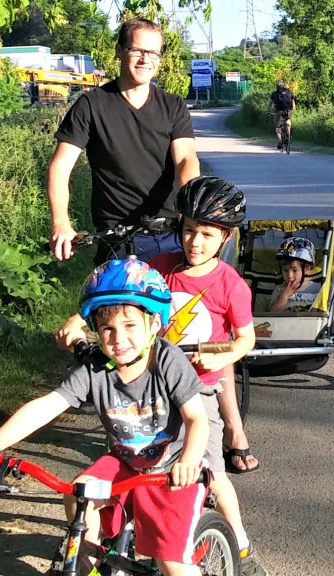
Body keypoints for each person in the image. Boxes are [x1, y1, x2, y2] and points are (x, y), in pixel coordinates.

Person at [56, 176, 266, 575]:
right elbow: (118, 292)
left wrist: (215, 357)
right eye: (188, 230)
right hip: (148, 384)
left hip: (198, 389)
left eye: (206, 234)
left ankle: (239, 543)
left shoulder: (230, 285)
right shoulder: (161, 268)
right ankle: (115, 540)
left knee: (211, 471)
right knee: (130, 460)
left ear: (224, 237)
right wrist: (77, 321)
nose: (194, 242)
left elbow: (244, 340)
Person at [0, 259, 210, 576]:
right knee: (79, 494)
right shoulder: (95, 368)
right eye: (107, 329)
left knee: (171, 562)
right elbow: (47, 405)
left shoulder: (167, 360)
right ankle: (90, 565)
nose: (118, 338)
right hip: (125, 464)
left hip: (172, 470)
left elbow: (196, 418)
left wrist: (189, 461)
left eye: (129, 326)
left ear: (153, 324)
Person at [47, 17, 201, 265]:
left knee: (180, 304)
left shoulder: (173, 106)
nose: (145, 59)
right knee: (115, 304)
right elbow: (60, 166)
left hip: (172, 233)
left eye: (153, 53)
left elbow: (185, 159)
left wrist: (191, 209)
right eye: (137, 50)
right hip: (117, 238)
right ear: (119, 50)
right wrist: (61, 224)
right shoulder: (91, 104)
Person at [258, 237, 322, 312]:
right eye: (285, 270)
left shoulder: (317, 289)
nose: (289, 275)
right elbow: (272, 314)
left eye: (294, 270)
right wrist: (284, 296)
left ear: (306, 268)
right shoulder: (279, 290)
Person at [268, 81, 295, 151]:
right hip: (288, 111)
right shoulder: (289, 92)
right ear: (284, 86)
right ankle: (288, 135)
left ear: (277, 87)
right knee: (288, 121)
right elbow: (293, 105)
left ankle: (280, 141)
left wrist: (268, 111)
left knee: (277, 127)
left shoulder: (274, 94)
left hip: (279, 112)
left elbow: (270, 104)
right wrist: (291, 110)